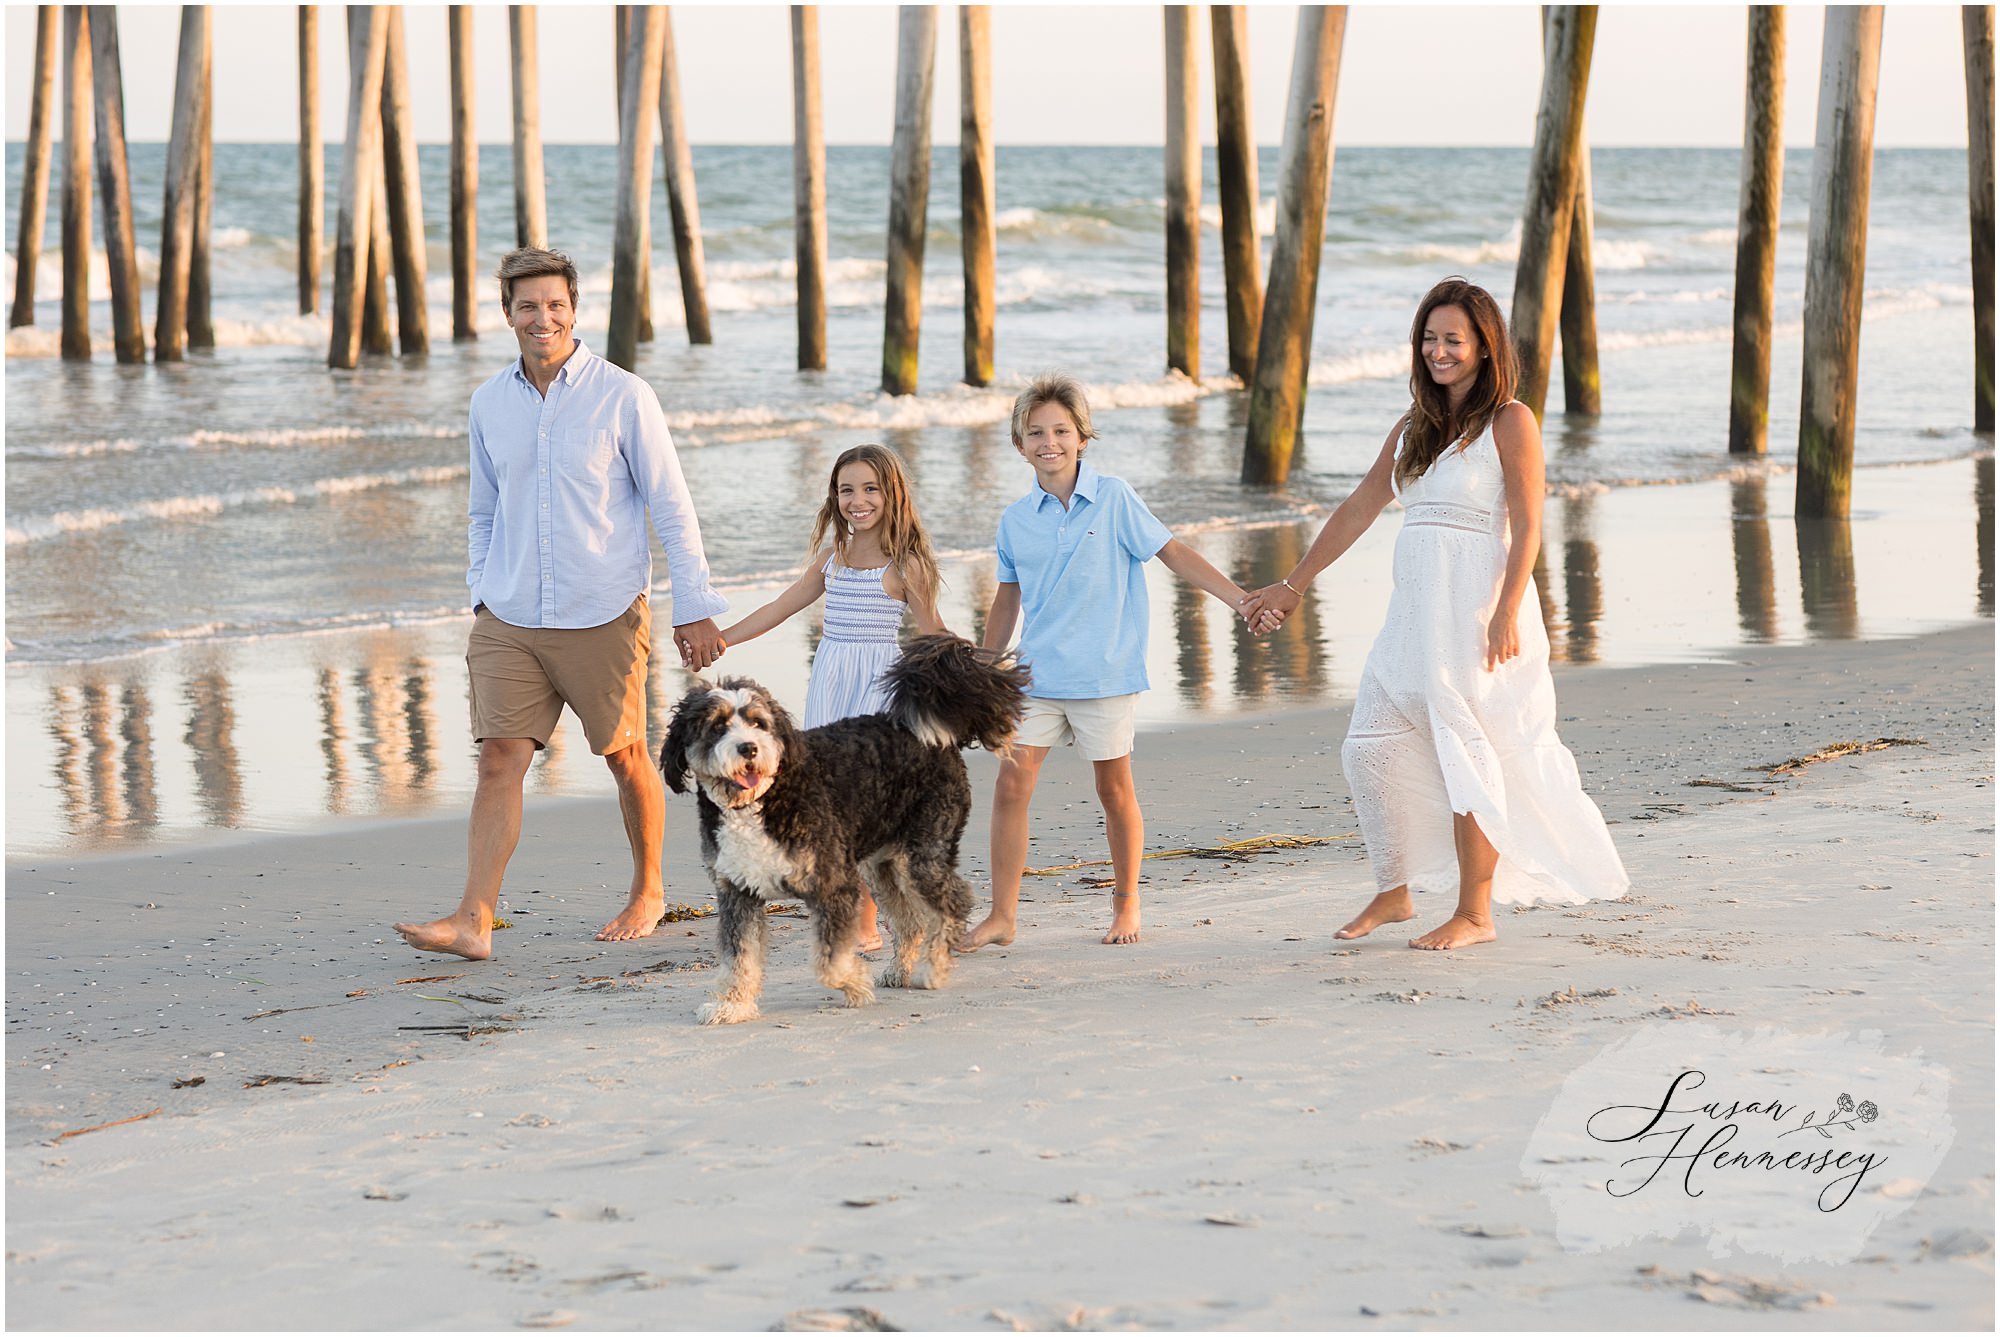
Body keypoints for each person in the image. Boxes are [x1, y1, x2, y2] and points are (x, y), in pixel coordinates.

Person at [1242, 277, 1629, 950]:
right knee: (1371, 743)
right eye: (1429, 337)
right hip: (1414, 611)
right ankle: (1395, 889)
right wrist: (1293, 583)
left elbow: (1532, 524)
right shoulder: (1413, 427)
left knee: (1465, 748)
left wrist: (1507, 609)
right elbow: (1360, 508)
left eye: (1453, 338)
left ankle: (1476, 913)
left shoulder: (1511, 420)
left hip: (1476, 607)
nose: (1438, 351)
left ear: (1484, 347)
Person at [394, 246, 729, 961]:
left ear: (574, 309)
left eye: (554, 304)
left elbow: (671, 506)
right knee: (497, 760)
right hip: (509, 615)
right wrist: (480, 591)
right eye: (526, 305)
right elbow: (482, 511)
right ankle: (473, 918)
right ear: (507, 313)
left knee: (625, 754)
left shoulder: (624, 396)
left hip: (602, 610)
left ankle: (648, 889)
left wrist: (693, 605)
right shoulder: (488, 402)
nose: (541, 317)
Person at [958, 373, 1256, 949]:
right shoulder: (1015, 520)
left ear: (1082, 438)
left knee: (1113, 790)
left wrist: (1240, 599)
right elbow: (1007, 595)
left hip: (1104, 674)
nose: (1050, 441)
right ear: (1019, 444)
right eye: (1035, 432)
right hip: (1036, 675)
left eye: (1061, 430)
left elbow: (1174, 554)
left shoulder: (1115, 497)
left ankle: (1126, 902)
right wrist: (987, 669)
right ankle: (1003, 915)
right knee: (1010, 788)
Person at [716, 442, 947, 951]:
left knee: (864, 799)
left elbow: (933, 633)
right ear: (834, 497)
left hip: (876, 683)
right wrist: (724, 638)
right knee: (831, 799)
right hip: (830, 676)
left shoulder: (907, 564)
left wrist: (969, 676)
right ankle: (857, 915)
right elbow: (781, 606)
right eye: (846, 490)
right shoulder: (832, 558)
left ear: (892, 495)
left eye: (870, 489)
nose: (857, 500)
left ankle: (875, 920)